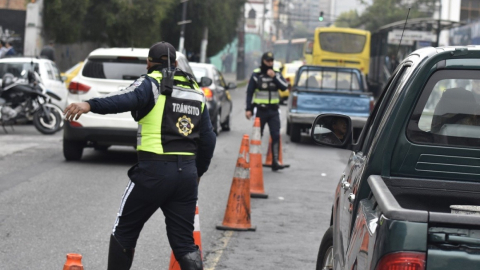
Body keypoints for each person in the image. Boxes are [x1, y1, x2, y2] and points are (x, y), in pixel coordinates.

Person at [63, 41, 216, 270]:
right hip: (186, 176)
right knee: (184, 244)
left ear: (148, 64)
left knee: (123, 232)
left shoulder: (151, 83)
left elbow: (123, 99)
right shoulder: (196, 92)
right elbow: (209, 139)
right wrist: (198, 173)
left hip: (153, 172)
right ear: (175, 63)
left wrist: (89, 105)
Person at [245, 51, 289, 171]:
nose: (270, 63)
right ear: (263, 62)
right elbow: (249, 93)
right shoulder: (256, 75)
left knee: (276, 135)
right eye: (267, 61)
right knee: (257, 136)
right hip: (261, 110)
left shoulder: (277, 74)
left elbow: (284, 87)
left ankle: (275, 161)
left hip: (274, 111)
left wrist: (274, 77)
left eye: (271, 61)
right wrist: (248, 109)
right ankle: (254, 161)